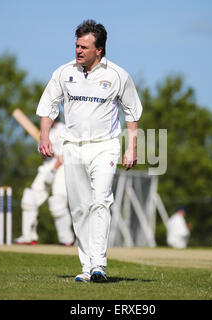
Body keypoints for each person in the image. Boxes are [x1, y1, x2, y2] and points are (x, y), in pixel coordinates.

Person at [37, 20, 142, 283]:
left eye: (84, 46)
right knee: (80, 208)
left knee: (101, 202)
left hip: (104, 147)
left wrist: (131, 147)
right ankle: (86, 267)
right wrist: (44, 135)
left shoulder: (118, 76)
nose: (78, 51)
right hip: (72, 146)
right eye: (76, 45)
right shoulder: (63, 73)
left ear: (100, 50)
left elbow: (131, 112)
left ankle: (99, 265)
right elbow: (49, 105)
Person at [14, 118, 75, 246]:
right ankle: (28, 236)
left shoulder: (63, 129)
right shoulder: (45, 131)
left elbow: (67, 151)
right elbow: (43, 153)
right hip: (48, 166)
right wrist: (45, 151)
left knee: (58, 203)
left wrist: (55, 168)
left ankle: (67, 239)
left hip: (62, 166)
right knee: (29, 199)